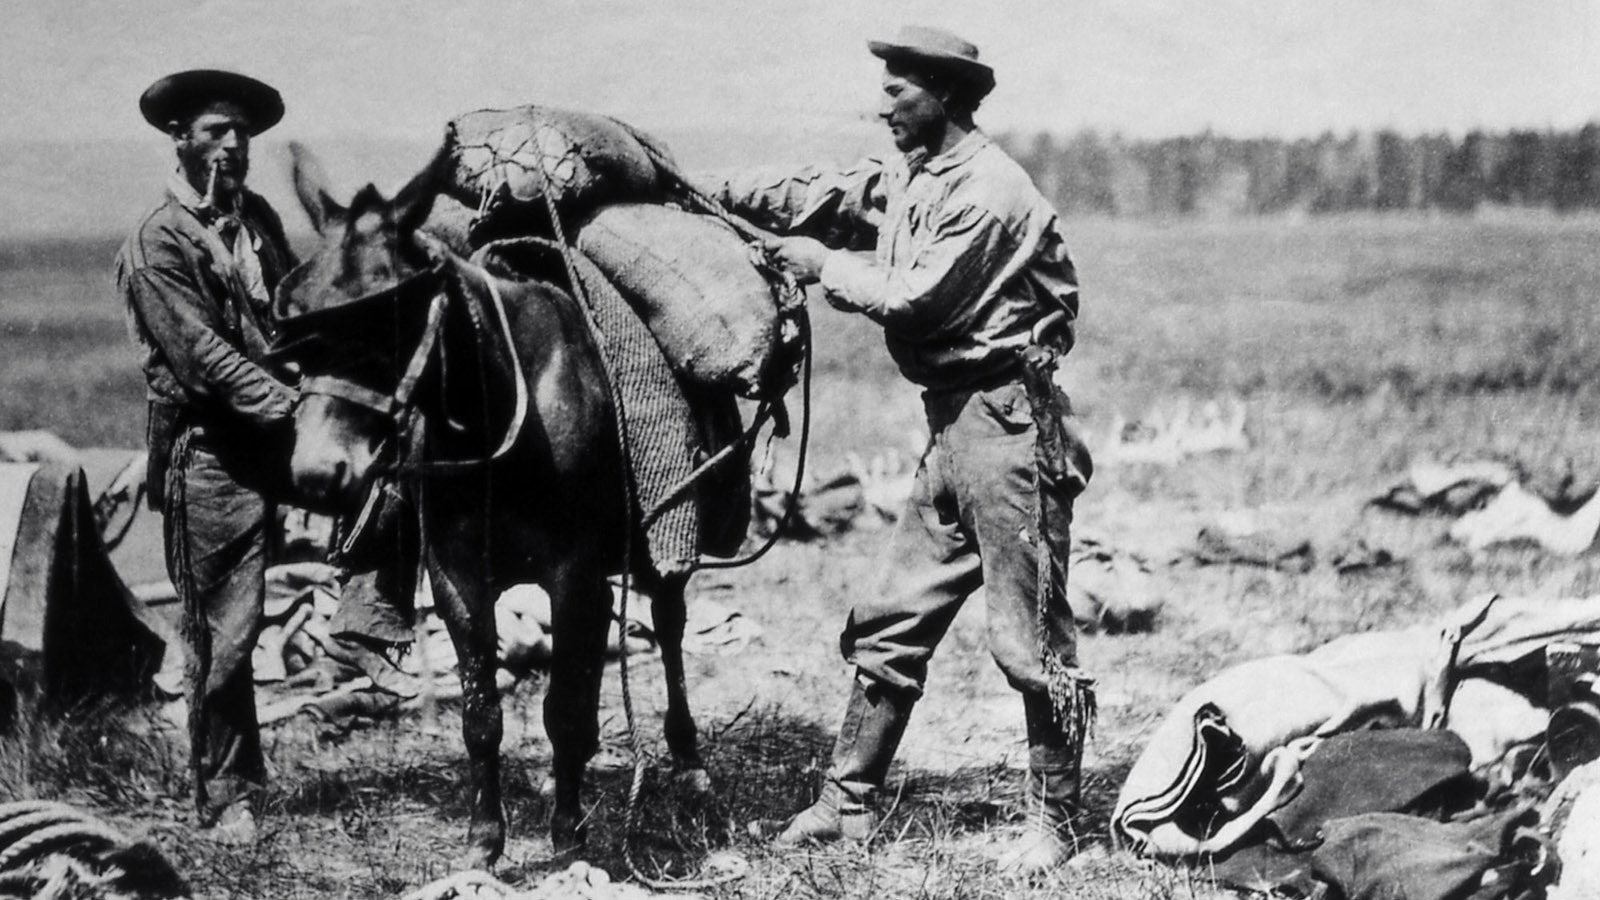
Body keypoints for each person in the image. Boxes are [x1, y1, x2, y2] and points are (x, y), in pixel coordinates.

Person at [714, 26, 1095, 873]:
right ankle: (845, 806)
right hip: (954, 428)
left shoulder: (992, 190)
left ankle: (1058, 823)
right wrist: (709, 193)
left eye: (899, 89)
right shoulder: (911, 173)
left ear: (949, 96)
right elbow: (828, 194)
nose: (882, 101)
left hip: (1011, 430)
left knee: (1030, 637)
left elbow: (917, 299)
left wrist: (819, 265)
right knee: (893, 618)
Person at [114, 69, 298, 843]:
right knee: (225, 633)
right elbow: (201, 361)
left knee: (393, 497)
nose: (233, 146)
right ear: (179, 139)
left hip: (279, 434)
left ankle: (369, 634)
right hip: (211, 451)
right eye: (216, 131)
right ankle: (229, 798)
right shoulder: (157, 240)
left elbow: (292, 307)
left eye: (243, 133)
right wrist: (298, 407)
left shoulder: (255, 218)